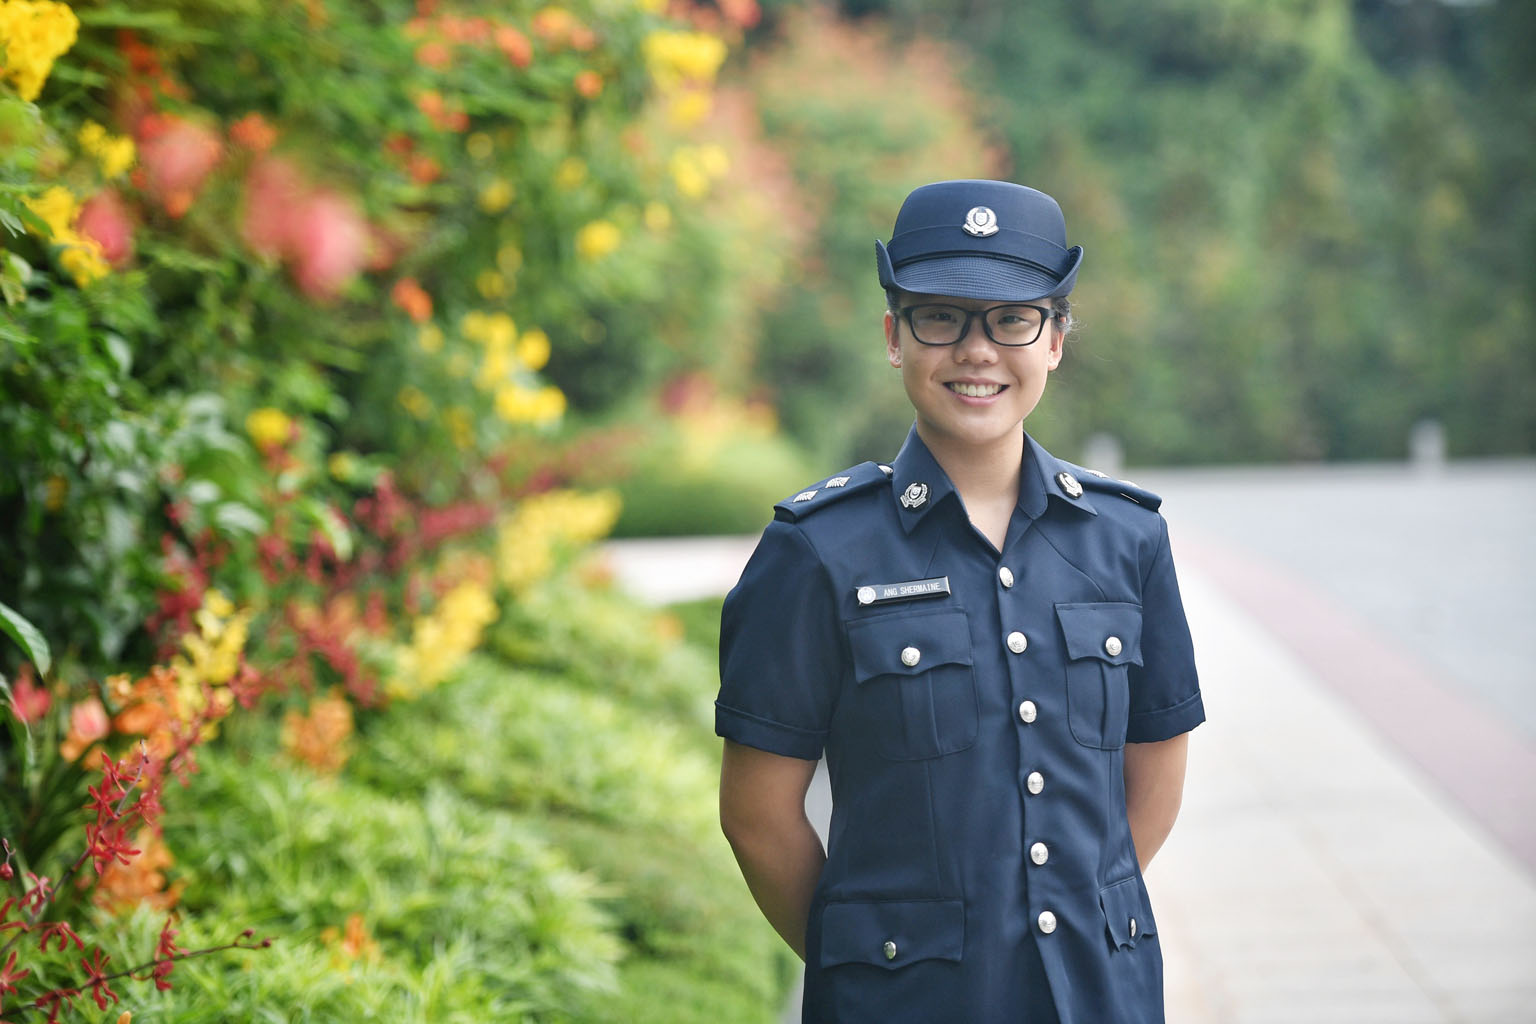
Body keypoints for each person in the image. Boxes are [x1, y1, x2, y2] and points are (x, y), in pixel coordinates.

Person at [715, 179, 1205, 1023]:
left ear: (1054, 340)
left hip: (1100, 995)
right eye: (940, 316)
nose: (977, 350)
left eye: (1012, 319)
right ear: (894, 337)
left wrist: (1065, 925)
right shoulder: (817, 550)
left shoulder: (1127, 541)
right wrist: (875, 963)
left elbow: (1155, 768)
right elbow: (758, 815)